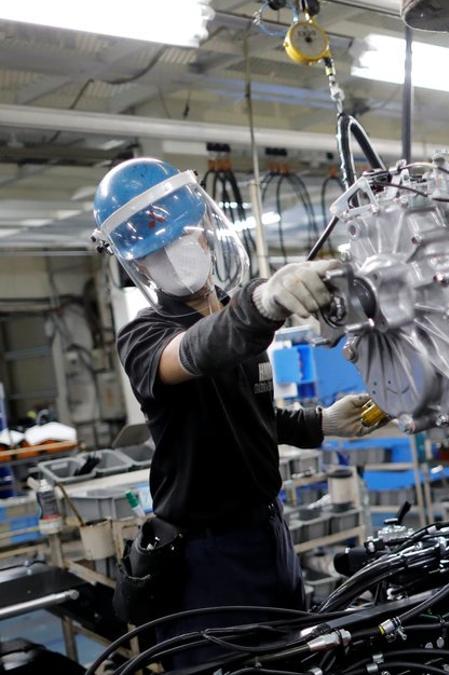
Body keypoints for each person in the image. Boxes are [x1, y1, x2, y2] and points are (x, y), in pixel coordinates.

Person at [91, 158, 376, 667]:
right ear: (138, 266)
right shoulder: (144, 337)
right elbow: (194, 354)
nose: (173, 256)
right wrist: (260, 304)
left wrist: (321, 422)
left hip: (270, 534)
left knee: (298, 658)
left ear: (205, 236)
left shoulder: (237, 320)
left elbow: (253, 415)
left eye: (181, 238)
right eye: (155, 253)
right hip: (206, 558)